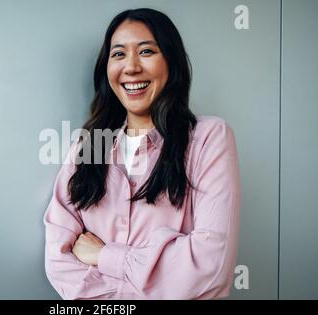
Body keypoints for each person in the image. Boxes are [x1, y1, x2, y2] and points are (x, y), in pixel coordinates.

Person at [43, 8, 241, 299]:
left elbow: (209, 266)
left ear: (171, 63)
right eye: (119, 54)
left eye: (146, 51)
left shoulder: (209, 138)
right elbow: (59, 260)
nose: (131, 67)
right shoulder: (89, 147)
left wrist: (105, 256)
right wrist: (154, 277)